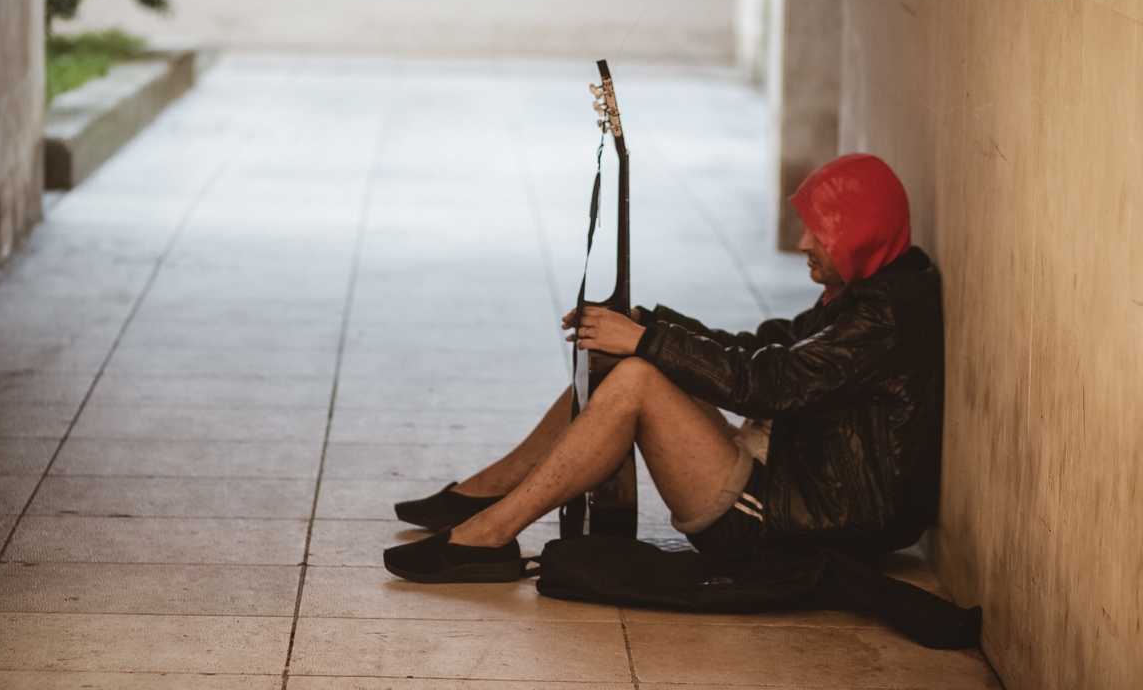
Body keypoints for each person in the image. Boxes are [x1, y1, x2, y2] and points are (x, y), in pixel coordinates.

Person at [383, 153, 944, 583]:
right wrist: (644, 324)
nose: (802, 243)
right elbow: (758, 348)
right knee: (623, 357)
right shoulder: (869, 293)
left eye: (819, 232)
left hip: (794, 521)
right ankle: (488, 494)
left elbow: (767, 386)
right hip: (788, 481)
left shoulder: (883, 317)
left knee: (637, 377)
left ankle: (490, 532)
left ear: (861, 233)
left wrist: (647, 341)